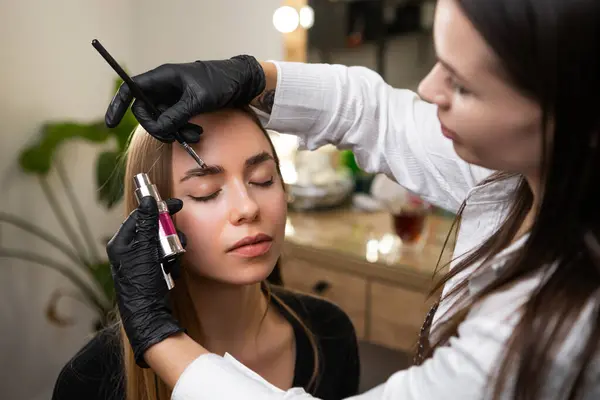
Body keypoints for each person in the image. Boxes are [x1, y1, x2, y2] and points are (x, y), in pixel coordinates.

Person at [103, 0, 600, 398]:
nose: (427, 88)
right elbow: (377, 116)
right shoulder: (93, 381)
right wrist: (255, 75)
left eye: (463, 85)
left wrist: (157, 336)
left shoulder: (563, 320)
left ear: (564, 112)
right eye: (207, 191)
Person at [51, 107, 360, 400]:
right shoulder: (89, 380)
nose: (248, 208)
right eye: (207, 192)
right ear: (156, 219)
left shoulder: (329, 334)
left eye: (263, 179)